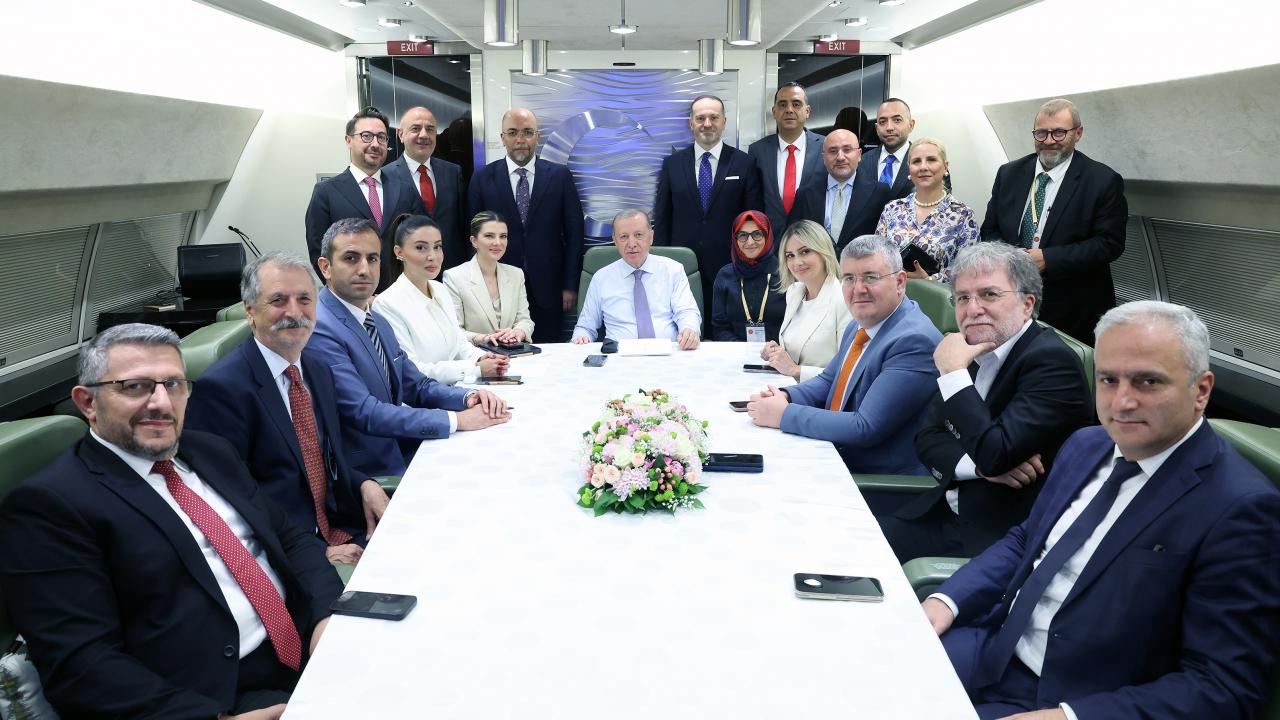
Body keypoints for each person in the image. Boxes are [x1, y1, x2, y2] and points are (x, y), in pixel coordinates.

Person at [924, 301, 1280, 720]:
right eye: (1109, 380)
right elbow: (1026, 540)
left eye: (1148, 381)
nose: (1122, 402)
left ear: (1201, 390)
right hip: (994, 647)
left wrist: (1068, 716)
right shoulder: (1085, 445)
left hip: (1080, 697)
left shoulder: (1239, 507)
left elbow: (1223, 686)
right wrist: (947, 601)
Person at [0, 323, 344, 719]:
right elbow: (82, 664)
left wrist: (326, 616)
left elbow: (289, 537)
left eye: (174, 384)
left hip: (308, 641)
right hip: (220, 696)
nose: (161, 403)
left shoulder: (211, 451)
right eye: (136, 387)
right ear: (88, 402)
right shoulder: (50, 506)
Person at [878, 243, 1094, 563]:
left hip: (994, 543)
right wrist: (978, 468)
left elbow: (995, 453)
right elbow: (927, 438)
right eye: (962, 298)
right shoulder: (977, 348)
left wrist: (953, 373)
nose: (973, 309)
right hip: (941, 514)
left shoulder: (1051, 363)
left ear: (1027, 304)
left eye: (989, 295)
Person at [186, 252, 391, 567]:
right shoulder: (222, 389)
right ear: (250, 310)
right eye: (279, 300)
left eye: (305, 299)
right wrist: (315, 553)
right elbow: (229, 500)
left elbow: (323, 462)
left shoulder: (318, 370)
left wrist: (364, 484)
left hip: (342, 525)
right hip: (286, 551)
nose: (295, 312)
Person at [304, 218, 509, 477]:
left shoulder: (375, 319)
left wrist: (467, 397)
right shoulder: (321, 327)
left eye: (372, 259)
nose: (364, 269)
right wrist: (457, 420)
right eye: (351, 258)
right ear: (326, 267)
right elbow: (365, 412)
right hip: (369, 472)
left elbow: (415, 384)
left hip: (401, 446)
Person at [747, 235, 942, 475]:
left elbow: (865, 427)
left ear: (900, 282)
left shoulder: (914, 342)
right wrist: (786, 396)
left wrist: (784, 414)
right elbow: (830, 381)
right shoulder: (860, 324)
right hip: (836, 455)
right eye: (849, 278)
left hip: (875, 481)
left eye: (871, 277)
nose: (858, 289)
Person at [981, 97, 1127, 344]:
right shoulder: (1009, 174)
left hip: (1072, 307)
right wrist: (1011, 257)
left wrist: (1047, 258)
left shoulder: (1102, 181)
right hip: (1012, 298)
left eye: (1059, 132)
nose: (1048, 140)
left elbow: (1109, 244)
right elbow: (989, 230)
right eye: (1041, 133)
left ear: (1077, 133)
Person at [466, 107, 584, 342]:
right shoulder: (482, 178)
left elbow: (575, 234)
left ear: (538, 136)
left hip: (549, 288)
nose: (520, 139)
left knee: (550, 352)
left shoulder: (559, 176)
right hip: (498, 289)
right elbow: (471, 236)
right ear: (502, 138)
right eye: (512, 132)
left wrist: (570, 285)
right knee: (504, 351)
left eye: (528, 132)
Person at [653, 94, 763, 308]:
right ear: (691, 123)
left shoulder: (744, 163)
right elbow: (663, 217)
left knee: (724, 324)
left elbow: (753, 218)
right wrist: (660, 261)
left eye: (714, 117)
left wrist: (751, 261)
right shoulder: (672, 165)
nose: (707, 124)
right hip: (681, 267)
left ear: (724, 121)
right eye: (700, 118)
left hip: (730, 266)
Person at [372, 214, 509, 385]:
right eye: (420, 248)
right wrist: (474, 368)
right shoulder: (386, 304)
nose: (432, 256)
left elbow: (459, 344)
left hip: (459, 385)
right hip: (426, 396)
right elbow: (412, 369)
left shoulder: (440, 289)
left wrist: (483, 357)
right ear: (399, 252)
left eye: (437, 247)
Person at [304, 106, 427, 292]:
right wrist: (345, 295)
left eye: (381, 137)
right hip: (351, 297)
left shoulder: (405, 189)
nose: (375, 144)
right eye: (366, 136)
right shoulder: (326, 192)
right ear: (348, 140)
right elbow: (319, 252)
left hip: (401, 294)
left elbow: (420, 240)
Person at [572, 209, 701, 350]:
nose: (631, 243)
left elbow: (687, 312)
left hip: (668, 352)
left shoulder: (673, 270)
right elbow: (585, 327)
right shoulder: (601, 278)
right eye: (624, 237)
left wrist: (689, 329)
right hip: (619, 355)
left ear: (651, 237)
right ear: (615, 240)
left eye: (638, 235)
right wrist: (581, 337)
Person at [759, 220, 852, 381]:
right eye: (790, 255)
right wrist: (778, 352)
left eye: (805, 252)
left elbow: (849, 372)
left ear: (823, 251)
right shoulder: (794, 292)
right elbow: (801, 348)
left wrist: (795, 370)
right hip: (788, 386)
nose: (797, 262)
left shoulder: (844, 299)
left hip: (822, 393)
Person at [876, 138, 980, 281]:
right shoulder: (892, 209)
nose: (923, 167)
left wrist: (929, 280)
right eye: (916, 161)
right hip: (891, 291)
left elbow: (970, 270)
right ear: (909, 168)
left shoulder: (963, 215)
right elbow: (877, 257)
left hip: (937, 294)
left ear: (945, 167)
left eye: (931, 160)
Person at [382, 105, 468, 272]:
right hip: (407, 273)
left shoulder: (453, 172)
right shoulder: (385, 177)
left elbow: (462, 224)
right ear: (401, 134)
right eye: (415, 128)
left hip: (451, 272)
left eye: (430, 129)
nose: (424, 135)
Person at [789, 129, 891, 254]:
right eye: (833, 151)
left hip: (861, 264)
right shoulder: (805, 194)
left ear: (859, 154)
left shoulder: (879, 193)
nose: (840, 157)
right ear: (824, 157)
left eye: (847, 150)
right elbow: (794, 236)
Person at [443, 210, 536, 346]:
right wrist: (482, 338)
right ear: (474, 241)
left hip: (513, 352)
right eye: (489, 236)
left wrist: (519, 332)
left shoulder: (516, 274)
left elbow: (525, 320)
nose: (498, 242)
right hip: (476, 355)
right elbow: (454, 330)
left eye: (503, 236)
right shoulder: (454, 277)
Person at [747, 82, 825, 239]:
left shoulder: (825, 146)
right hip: (770, 240)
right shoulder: (757, 150)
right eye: (782, 104)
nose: (789, 109)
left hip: (812, 240)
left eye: (796, 104)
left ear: (807, 111)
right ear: (774, 112)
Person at [710, 210, 786, 343]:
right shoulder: (725, 275)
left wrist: (776, 350)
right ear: (735, 239)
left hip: (780, 351)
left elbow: (797, 325)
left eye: (757, 234)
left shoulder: (785, 272)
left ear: (767, 236)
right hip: (736, 352)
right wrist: (742, 350)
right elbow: (719, 328)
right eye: (742, 235)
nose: (750, 242)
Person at [859, 98, 917, 201]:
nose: (889, 127)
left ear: (911, 125)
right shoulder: (862, 162)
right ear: (877, 129)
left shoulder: (927, 163)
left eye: (897, 120)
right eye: (882, 122)